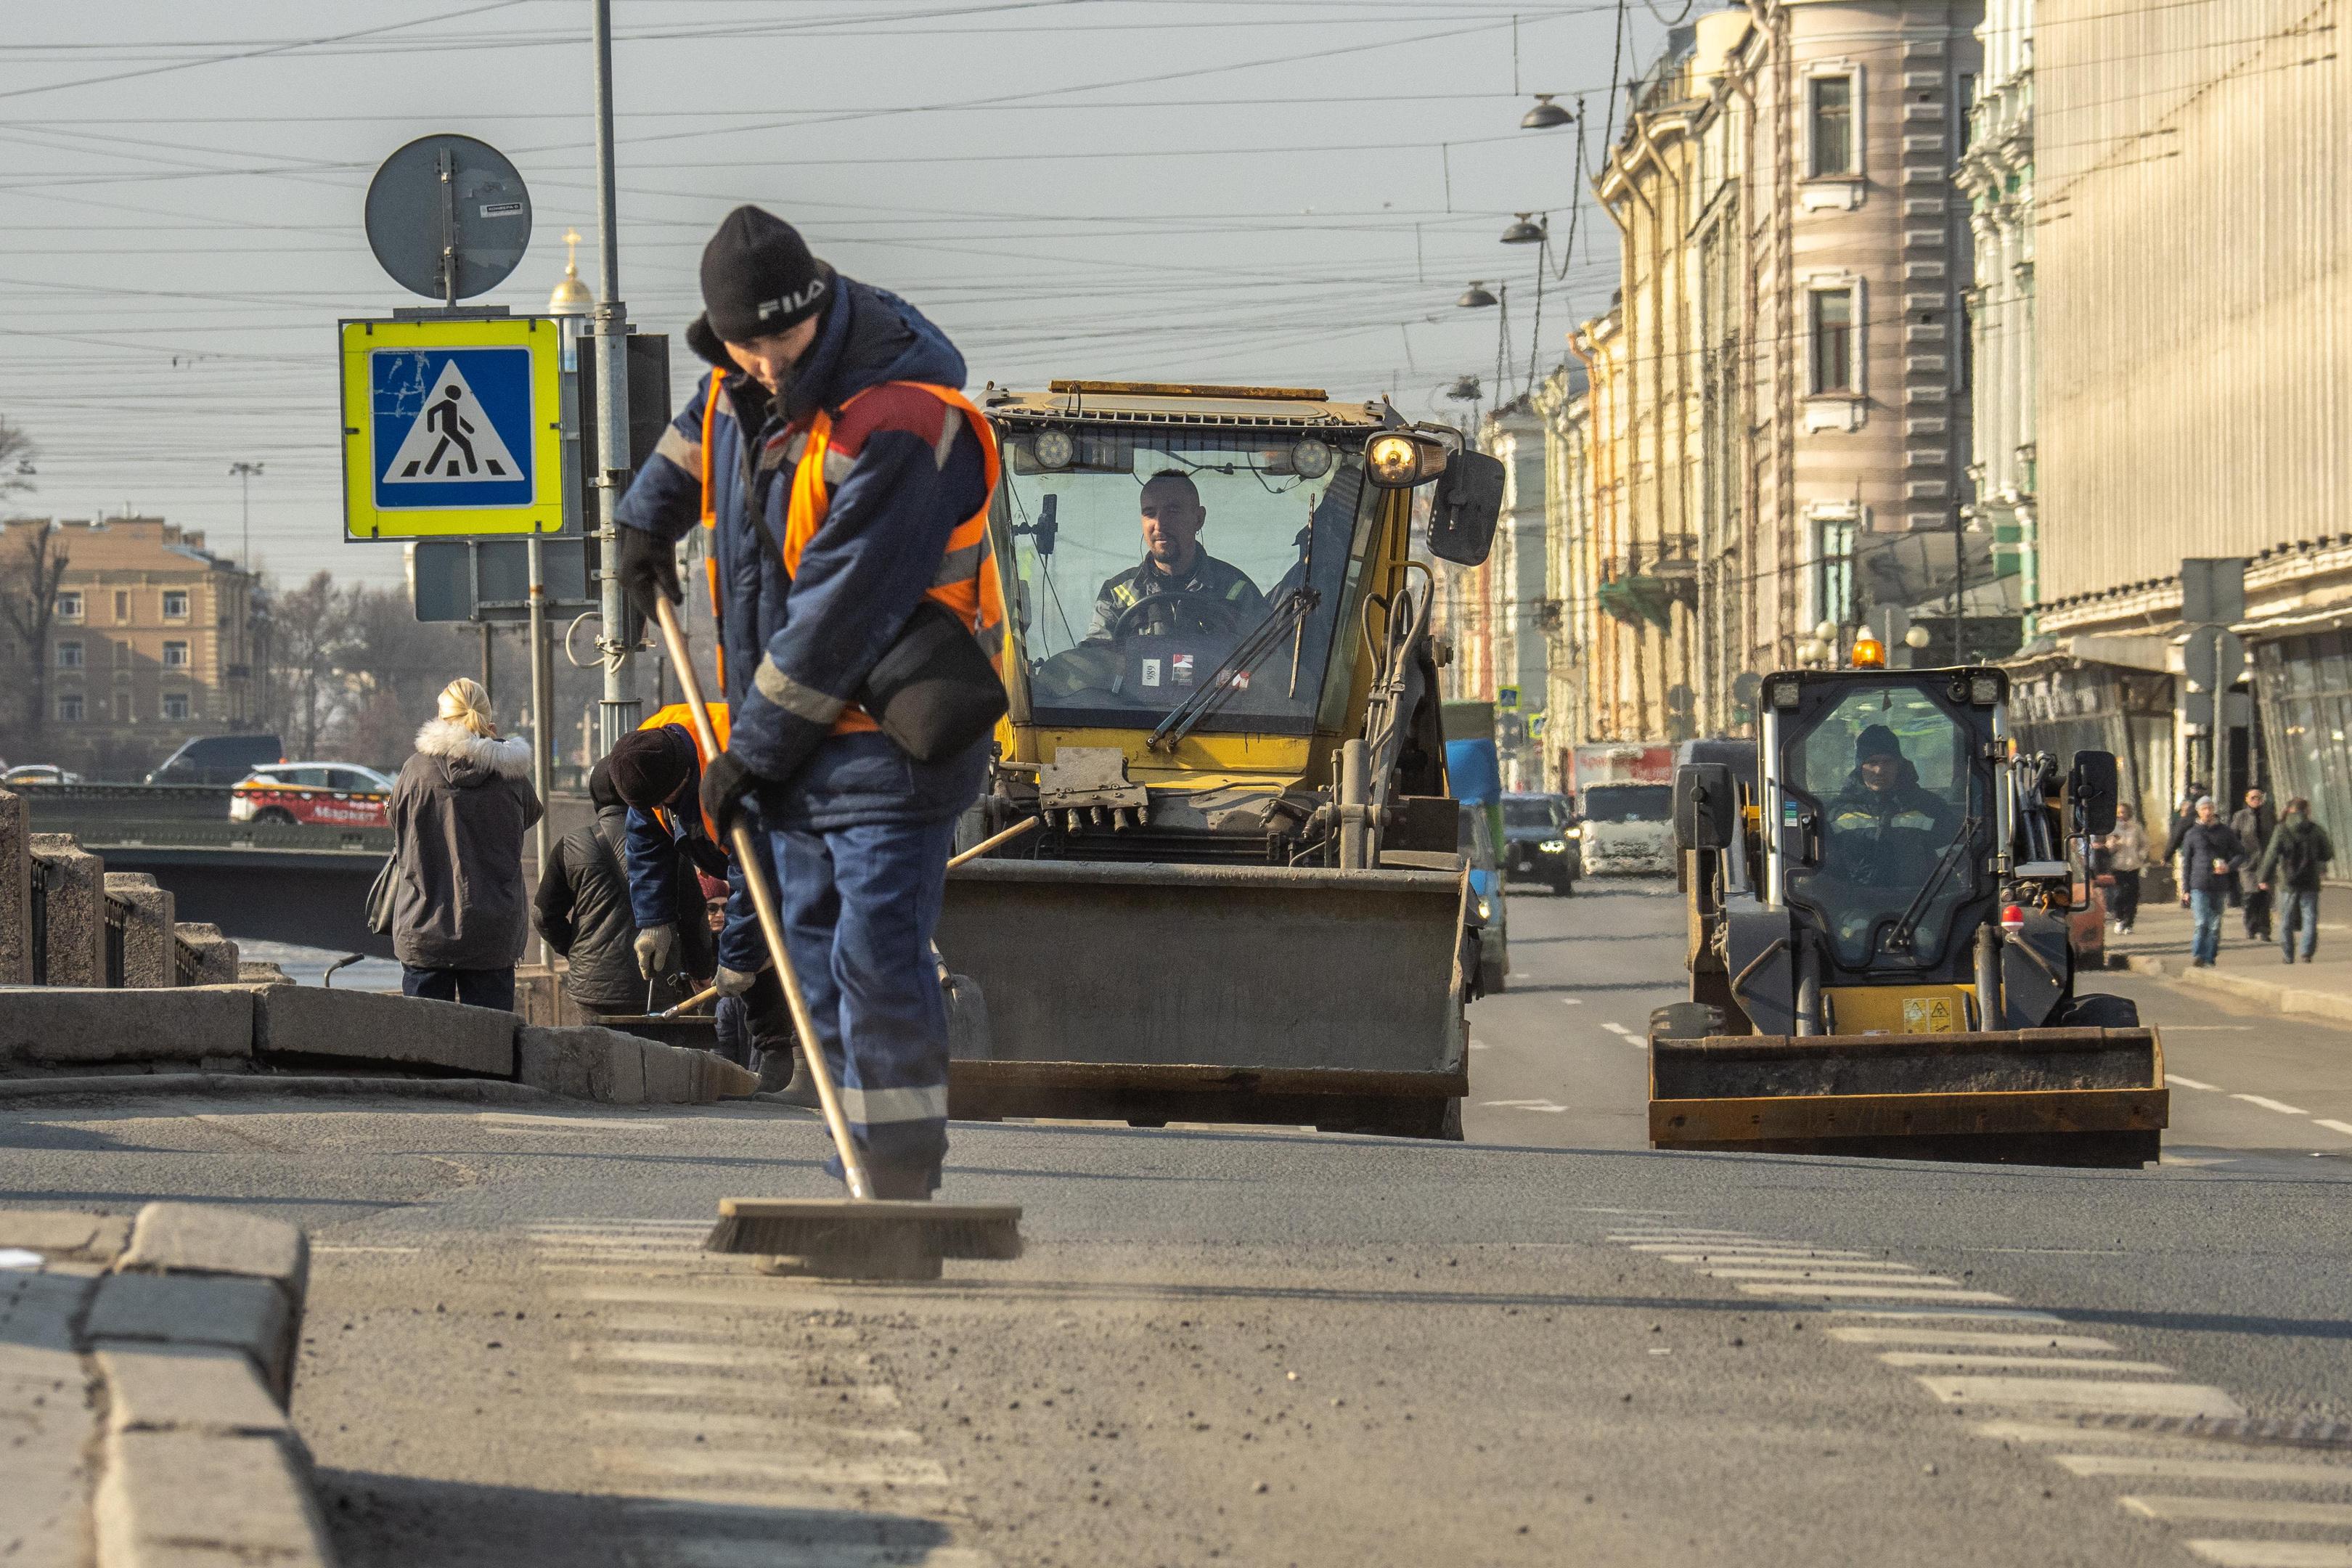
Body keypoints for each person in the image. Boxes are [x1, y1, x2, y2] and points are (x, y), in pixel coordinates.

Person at [614, 205, 1002, 1199]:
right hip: (794, 747)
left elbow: (840, 610)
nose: (770, 364)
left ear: (818, 311)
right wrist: (641, 528)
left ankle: (902, 1178)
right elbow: (687, 445)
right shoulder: (736, 384)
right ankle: (855, 1171)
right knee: (814, 966)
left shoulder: (905, 423)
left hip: (890, 740)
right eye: (748, 346)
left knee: (877, 955)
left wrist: (750, 751)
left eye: (783, 340)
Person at [605, 720, 810, 1096]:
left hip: (804, 837)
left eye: (664, 802)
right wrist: (655, 922)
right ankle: (775, 1052)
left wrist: (737, 958)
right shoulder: (646, 759)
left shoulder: (733, 773)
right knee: (753, 946)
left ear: (681, 782)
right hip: (751, 848)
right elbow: (646, 845)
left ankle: (802, 1060)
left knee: (778, 940)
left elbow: (755, 880)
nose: (658, 810)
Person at [388, 677, 542, 1009]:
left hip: (425, 928)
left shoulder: (416, 772)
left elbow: (397, 824)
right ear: (487, 719)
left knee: (424, 1049)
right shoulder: (512, 777)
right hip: (493, 934)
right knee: (493, 1050)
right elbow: (529, 817)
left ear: (442, 719)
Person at [532, 758, 709, 1018]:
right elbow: (693, 916)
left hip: (593, 989)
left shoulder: (570, 846)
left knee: (598, 1057)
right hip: (657, 984)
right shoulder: (667, 844)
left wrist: (579, 950)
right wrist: (701, 971)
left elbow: (543, 915)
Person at [1085, 470, 1267, 642]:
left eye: (1172, 511)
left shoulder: (1237, 593)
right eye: (1149, 513)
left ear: (1198, 519)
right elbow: (1096, 664)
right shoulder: (1117, 595)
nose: (1159, 524)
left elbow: (1268, 663)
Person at [1823, 724, 1960, 886]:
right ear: (1860, 767)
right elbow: (1826, 870)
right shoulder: (1836, 812)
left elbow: (1952, 863)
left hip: (1921, 905)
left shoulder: (1931, 808)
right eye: (1872, 762)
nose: (1879, 770)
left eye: (1887, 761)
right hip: (1852, 906)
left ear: (1899, 764)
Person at [2258, 796, 2335, 964]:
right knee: (2310, 917)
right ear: (2307, 811)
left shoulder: (2282, 829)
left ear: (2289, 810)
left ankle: (2288, 955)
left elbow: (2271, 855)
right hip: (2311, 880)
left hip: (2288, 881)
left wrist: (2263, 878)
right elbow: (2328, 853)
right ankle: (2306, 952)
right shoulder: (2316, 829)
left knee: (2286, 919)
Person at [2178, 796, 2246, 968]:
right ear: (2199, 812)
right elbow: (2187, 863)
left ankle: (2210, 957)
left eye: (2210, 808)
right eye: (2204, 809)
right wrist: (2185, 888)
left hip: (2219, 884)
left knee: (2215, 924)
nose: (2207, 812)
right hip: (2198, 884)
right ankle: (2198, 955)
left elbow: (2240, 853)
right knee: (2202, 922)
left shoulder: (2225, 832)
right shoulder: (2192, 834)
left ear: (2214, 809)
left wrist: (2228, 867)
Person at [2231, 786, 2278, 941]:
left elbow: (2275, 837)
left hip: (2265, 862)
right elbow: (2232, 838)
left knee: (2265, 897)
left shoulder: (2269, 815)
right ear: (2247, 799)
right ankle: (2251, 927)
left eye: (2259, 797)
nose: (2256, 801)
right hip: (2248, 863)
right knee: (2251, 896)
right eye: (2253, 798)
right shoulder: (2240, 816)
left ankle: (2265, 930)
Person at [2095, 801, 2148, 935]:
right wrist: (2112, 845)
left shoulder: (2136, 828)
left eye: (2123, 812)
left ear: (2129, 813)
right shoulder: (2112, 828)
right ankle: (2119, 918)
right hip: (2117, 866)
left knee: (2132, 895)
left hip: (2133, 866)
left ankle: (2129, 923)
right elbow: (2107, 848)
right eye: (2119, 813)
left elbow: (2144, 844)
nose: (2121, 815)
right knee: (2119, 895)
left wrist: (2140, 855)